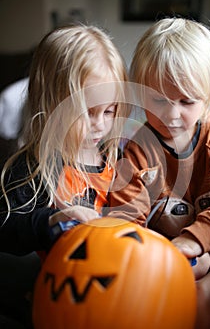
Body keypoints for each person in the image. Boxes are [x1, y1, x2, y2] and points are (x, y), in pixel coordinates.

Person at [0, 24, 129, 328]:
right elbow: (4, 225)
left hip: (125, 283)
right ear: (52, 103)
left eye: (110, 111)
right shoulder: (35, 166)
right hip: (66, 294)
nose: (100, 125)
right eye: (89, 111)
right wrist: (51, 219)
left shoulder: (119, 159)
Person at [108, 17, 210, 327]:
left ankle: (207, 289)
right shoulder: (136, 152)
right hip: (176, 261)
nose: (171, 114)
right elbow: (127, 222)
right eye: (158, 100)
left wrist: (195, 239)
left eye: (186, 101)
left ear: (209, 94)